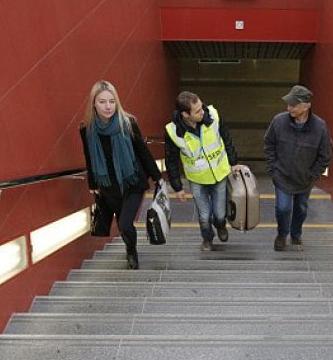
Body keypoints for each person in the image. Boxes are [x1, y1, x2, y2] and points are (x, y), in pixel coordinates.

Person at [79, 80, 162, 269]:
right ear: (94, 104)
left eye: (111, 101)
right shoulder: (87, 129)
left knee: (125, 224)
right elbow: (89, 157)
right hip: (109, 186)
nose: (108, 106)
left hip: (132, 182)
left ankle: (132, 253)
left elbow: (142, 151)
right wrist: (92, 184)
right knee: (121, 224)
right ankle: (129, 247)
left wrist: (157, 177)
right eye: (102, 102)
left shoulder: (128, 123)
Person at [165, 91, 240, 251]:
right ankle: (207, 239)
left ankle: (221, 226)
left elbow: (226, 137)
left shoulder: (213, 116)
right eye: (198, 111)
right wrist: (177, 187)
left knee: (220, 214)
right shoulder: (173, 132)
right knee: (204, 216)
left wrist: (233, 162)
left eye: (202, 107)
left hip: (219, 175)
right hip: (197, 179)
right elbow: (170, 160)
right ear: (186, 114)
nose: (203, 112)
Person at [264, 84, 331, 251]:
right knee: (283, 208)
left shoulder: (320, 127)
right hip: (282, 176)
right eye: (288, 104)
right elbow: (269, 143)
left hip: (304, 180)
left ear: (306, 106)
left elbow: (324, 156)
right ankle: (281, 235)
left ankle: (296, 234)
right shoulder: (279, 121)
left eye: (294, 105)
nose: (289, 108)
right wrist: (273, 168)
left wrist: (312, 175)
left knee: (301, 209)